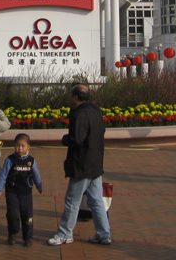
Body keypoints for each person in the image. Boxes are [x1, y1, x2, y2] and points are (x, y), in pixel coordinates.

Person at [48, 83, 111, 246]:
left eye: (70, 95)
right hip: (95, 162)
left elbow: (77, 139)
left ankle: (65, 233)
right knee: (96, 200)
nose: (69, 98)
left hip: (82, 164)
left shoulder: (80, 114)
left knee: (72, 200)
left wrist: (65, 139)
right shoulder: (95, 110)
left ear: (76, 97)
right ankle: (104, 233)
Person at [0, 133, 42, 247]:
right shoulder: (10, 160)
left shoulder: (31, 161)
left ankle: (28, 237)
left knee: (27, 216)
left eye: (22, 146)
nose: (20, 148)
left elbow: (36, 175)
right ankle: (12, 233)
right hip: (12, 193)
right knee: (13, 215)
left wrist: (39, 186)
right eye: (17, 146)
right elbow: (3, 176)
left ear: (28, 147)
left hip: (26, 194)